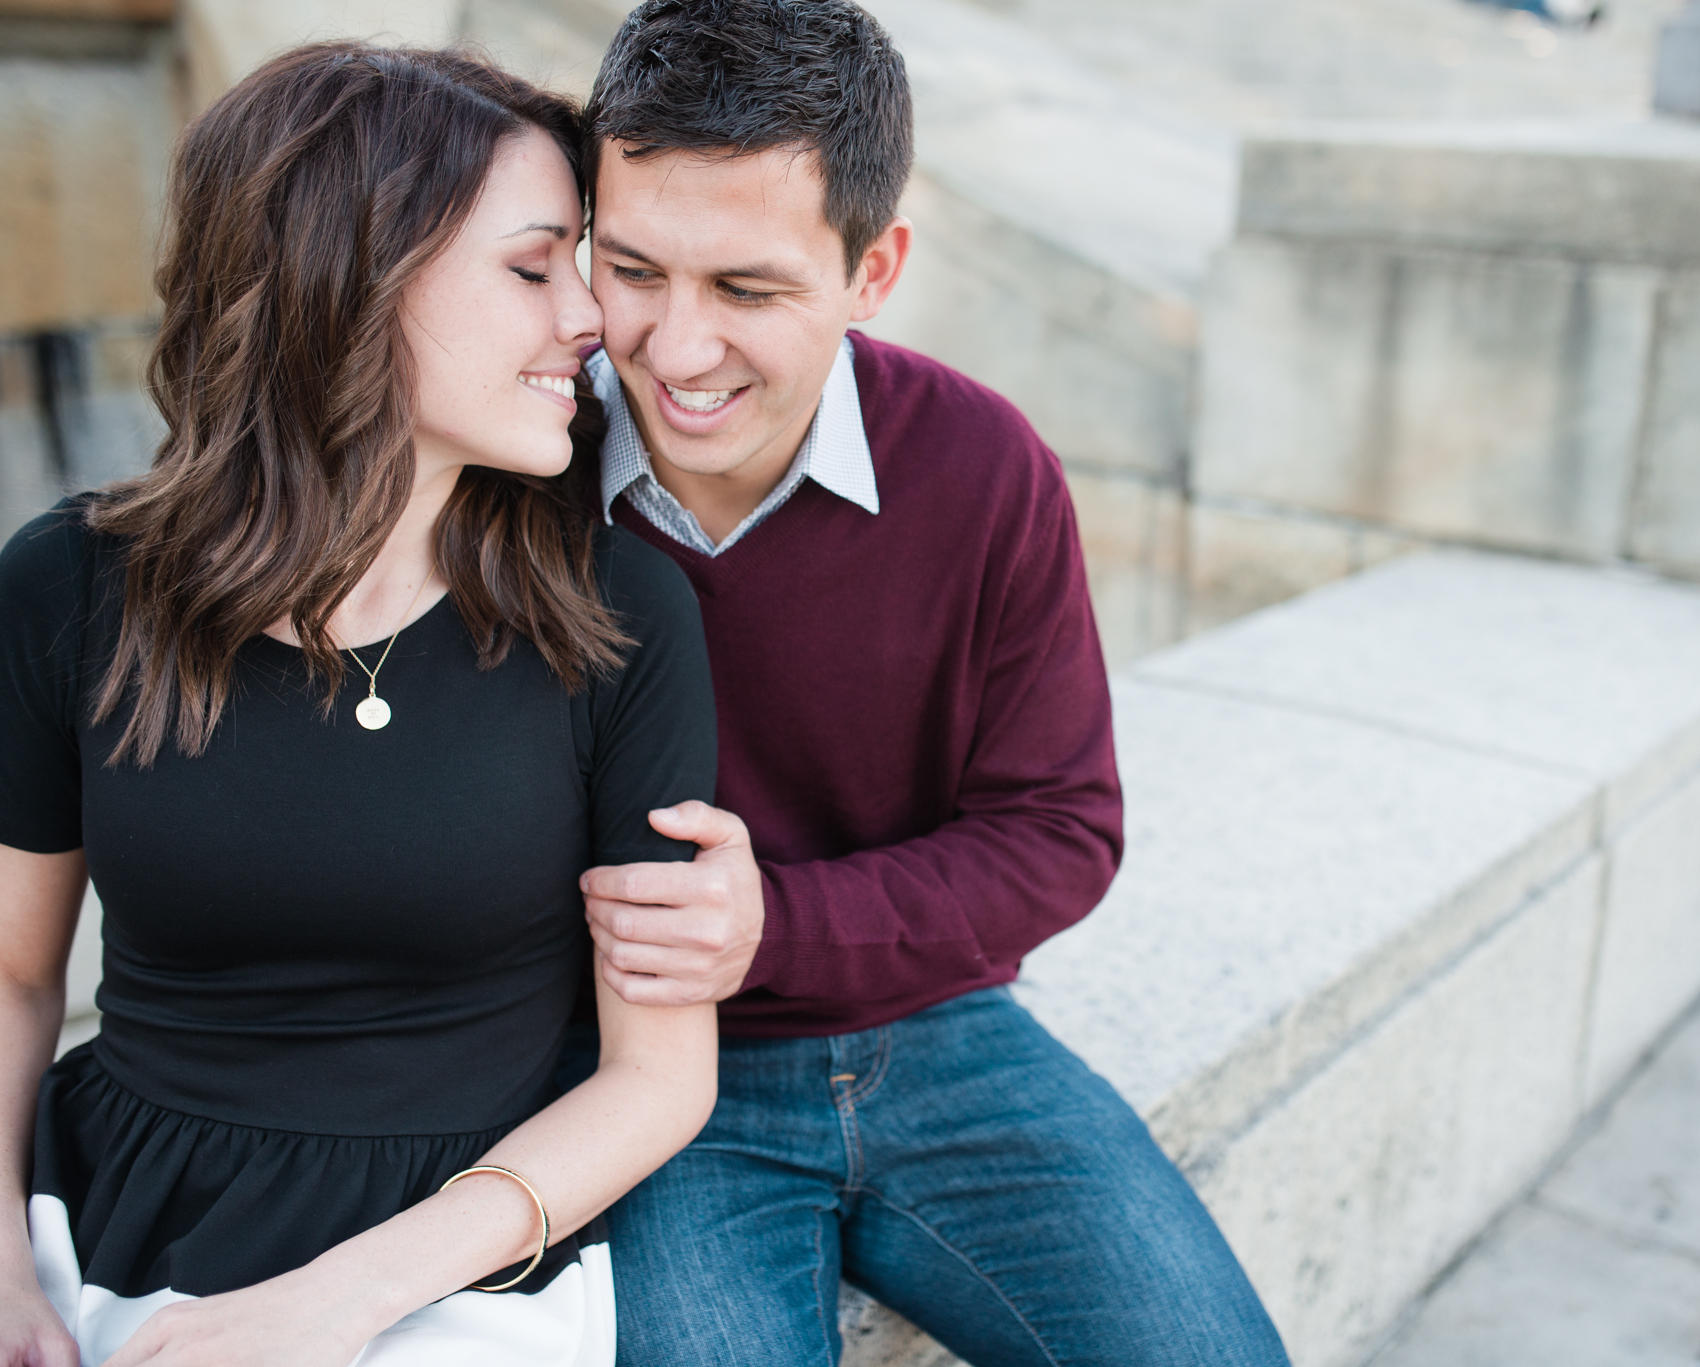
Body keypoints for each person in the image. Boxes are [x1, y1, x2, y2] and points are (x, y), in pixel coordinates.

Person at [562, 3, 1292, 1362]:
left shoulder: (984, 466)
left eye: (748, 289)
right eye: (634, 269)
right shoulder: (517, 471)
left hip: (946, 1039)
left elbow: (1061, 832)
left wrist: (772, 925)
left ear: (874, 269)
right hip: (647, 1081)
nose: (671, 348)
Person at [0, 44, 719, 1367]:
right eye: (532, 266)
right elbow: (13, 972)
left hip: (460, 1269)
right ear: (354, 276)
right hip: (93, 1223)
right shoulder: (67, 587)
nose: (591, 320)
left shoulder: (622, 615)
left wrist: (339, 1301)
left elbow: (659, 1076)